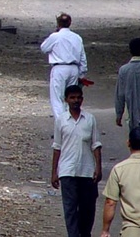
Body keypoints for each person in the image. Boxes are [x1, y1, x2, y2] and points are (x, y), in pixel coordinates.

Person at [51, 85, 103, 237]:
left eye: (78, 97)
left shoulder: (90, 119)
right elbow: (57, 147)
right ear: (66, 100)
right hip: (67, 170)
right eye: (72, 97)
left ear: (82, 99)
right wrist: (54, 172)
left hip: (87, 171)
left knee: (87, 209)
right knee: (70, 209)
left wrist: (98, 167)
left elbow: (96, 145)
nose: (76, 100)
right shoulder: (61, 120)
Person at [41, 13, 89, 120]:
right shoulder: (77, 37)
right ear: (70, 23)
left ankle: (61, 125)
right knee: (70, 97)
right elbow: (82, 57)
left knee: (57, 98)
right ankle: (71, 122)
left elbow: (44, 48)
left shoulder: (55, 36)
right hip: (73, 68)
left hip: (59, 68)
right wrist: (82, 73)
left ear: (58, 24)